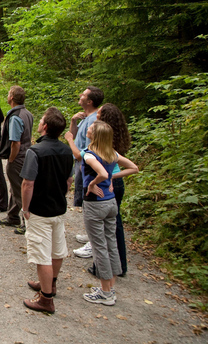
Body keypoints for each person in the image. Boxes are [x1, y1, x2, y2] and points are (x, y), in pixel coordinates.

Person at [66, 121, 138, 306]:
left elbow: (102, 174)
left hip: (96, 205)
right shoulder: (111, 153)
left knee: (99, 248)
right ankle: (110, 288)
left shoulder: (90, 155)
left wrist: (92, 184)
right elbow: (133, 168)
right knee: (111, 244)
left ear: (95, 135)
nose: (88, 128)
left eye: (90, 129)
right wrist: (110, 178)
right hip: (110, 202)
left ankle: (105, 293)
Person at [21, 107, 75, 314]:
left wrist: (25, 208)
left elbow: (28, 183)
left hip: (40, 210)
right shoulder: (67, 150)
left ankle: (46, 299)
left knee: (42, 254)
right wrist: (61, 195)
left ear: (44, 126)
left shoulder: (35, 151)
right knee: (56, 249)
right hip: (58, 209)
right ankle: (50, 284)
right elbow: (69, 180)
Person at [88, 103, 134, 278]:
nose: (96, 116)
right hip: (115, 181)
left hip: (108, 183)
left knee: (104, 229)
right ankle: (119, 265)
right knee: (115, 226)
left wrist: (109, 178)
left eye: (99, 114)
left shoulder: (105, 138)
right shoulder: (117, 136)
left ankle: (104, 269)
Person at [69, 86, 104, 258]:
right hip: (81, 164)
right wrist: (73, 121)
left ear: (89, 101)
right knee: (84, 199)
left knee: (90, 201)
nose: (80, 96)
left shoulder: (93, 121)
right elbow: (75, 137)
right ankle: (90, 235)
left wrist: (72, 146)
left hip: (88, 166)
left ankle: (93, 242)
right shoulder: (85, 118)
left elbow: (90, 148)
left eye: (83, 94)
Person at [0, 85, 33, 234]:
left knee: (18, 189)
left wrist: (11, 159)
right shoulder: (27, 113)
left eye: (9, 93)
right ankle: (12, 216)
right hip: (27, 155)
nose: (8, 95)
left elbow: (16, 142)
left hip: (18, 157)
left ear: (11, 98)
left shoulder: (15, 117)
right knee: (15, 187)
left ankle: (26, 222)